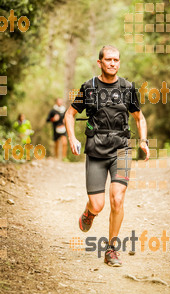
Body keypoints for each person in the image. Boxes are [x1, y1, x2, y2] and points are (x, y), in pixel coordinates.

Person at [64, 45, 150, 267]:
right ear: (99, 62)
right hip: (96, 150)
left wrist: (143, 141)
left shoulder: (127, 88)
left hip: (121, 149)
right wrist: (72, 138)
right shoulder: (90, 87)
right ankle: (90, 212)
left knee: (118, 199)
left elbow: (139, 118)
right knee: (98, 204)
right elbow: (70, 114)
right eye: (109, 59)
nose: (113, 63)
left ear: (119, 63)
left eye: (116, 60)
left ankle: (112, 249)